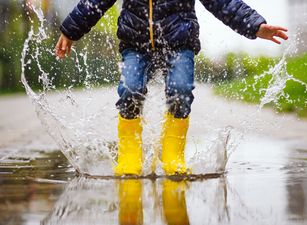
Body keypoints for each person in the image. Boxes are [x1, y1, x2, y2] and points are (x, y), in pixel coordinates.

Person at [55, 0, 288, 176]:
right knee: (130, 90)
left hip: (179, 43)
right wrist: (71, 30)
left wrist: (255, 25)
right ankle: (129, 154)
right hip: (135, 44)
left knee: (181, 90)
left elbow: (222, 2)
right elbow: (96, 2)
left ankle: (172, 153)